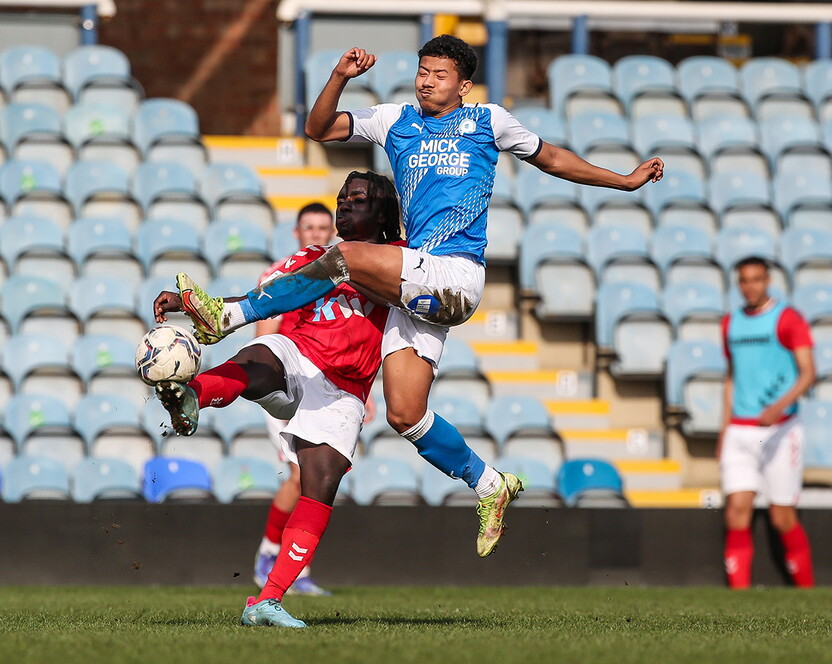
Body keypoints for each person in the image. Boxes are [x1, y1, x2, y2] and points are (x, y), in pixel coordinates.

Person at [169, 35, 664, 557]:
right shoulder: (394, 120)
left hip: (454, 274)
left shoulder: (488, 121)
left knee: (346, 256)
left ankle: (229, 315)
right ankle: (490, 484)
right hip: (415, 281)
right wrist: (339, 77)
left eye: (439, 74)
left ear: (464, 85)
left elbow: (554, 158)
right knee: (405, 414)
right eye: (422, 71)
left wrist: (624, 181)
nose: (426, 81)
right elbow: (318, 129)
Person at [153, 171, 403, 627]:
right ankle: (191, 395)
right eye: (341, 198)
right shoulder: (312, 259)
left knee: (319, 484)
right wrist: (192, 305)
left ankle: (266, 601)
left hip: (345, 389)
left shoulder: (403, 261)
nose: (343, 205)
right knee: (262, 354)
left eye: (356, 199)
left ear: (383, 213)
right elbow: (259, 300)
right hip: (301, 354)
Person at [253, 202, 335, 597]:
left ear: (333, 232)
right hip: (286, 388)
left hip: (326, 390)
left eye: (323, 228)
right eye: (309, 227)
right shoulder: (279, 277)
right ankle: (271, 555)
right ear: (297, 233)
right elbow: (263, 338)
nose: (316, 234)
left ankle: (292, 568)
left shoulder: (342, 278)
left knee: (318, 480)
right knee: (303, 475)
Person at [719, 256, 815, 589]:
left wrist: (779, 406)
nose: (750, 287)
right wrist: (724, 431)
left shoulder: (788, 319)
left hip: (781, 429)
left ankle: (806, 593)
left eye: (756, 279)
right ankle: (739, 599)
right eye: (744, 281)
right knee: (736, 511)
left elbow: (808, 373)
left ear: (768, 280)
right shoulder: (730, 323)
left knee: (781, 516)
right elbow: (731, 378)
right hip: (740, 428)